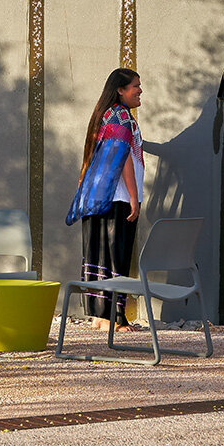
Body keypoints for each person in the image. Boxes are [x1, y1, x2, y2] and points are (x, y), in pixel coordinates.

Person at [65, 68, 144, 331]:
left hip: (102, 197)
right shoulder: (120, 116)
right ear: (120, 90)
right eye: (135, 86)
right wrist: (134, 196)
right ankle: (112, 318)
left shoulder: (109, 114)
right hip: (116, 197)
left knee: (102, 255)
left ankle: (103, 317)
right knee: (115, 257)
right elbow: (123, 159)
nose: (140, 90)